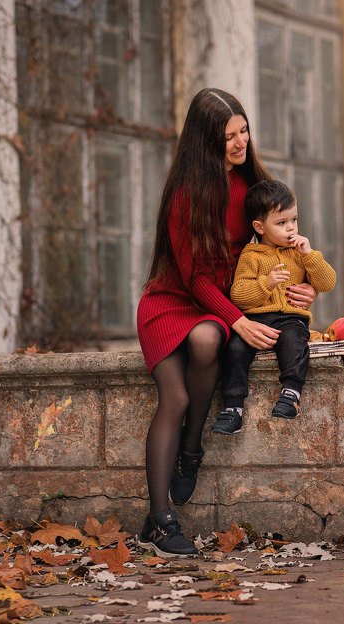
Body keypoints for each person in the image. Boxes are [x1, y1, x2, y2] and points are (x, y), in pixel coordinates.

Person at [135, 88, 316, 557]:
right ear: (204, 141)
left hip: (220, 305)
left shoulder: (252, 185)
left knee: (208, 339)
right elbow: (194, 278)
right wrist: (240, 320)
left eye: (244, 131)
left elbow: (282, 241)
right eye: (228, 137)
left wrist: (305, 284)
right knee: (174, 396)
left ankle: (191, 449)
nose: (240, 143)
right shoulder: (186, 194)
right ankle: (159, 521)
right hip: (173, 300)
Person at [215, 179, 336, 431]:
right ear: (259, 227)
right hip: (256, 320)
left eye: (294, 220)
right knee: (235, 349)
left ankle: (291, 394)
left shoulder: (300, 253)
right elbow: (238, 295)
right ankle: (232, 407)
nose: (291, 228)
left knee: (294, 342)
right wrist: (266, 283)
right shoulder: (251, 256)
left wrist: (310, 256)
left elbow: (327, 282)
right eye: (281, 223)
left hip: (291, 317)